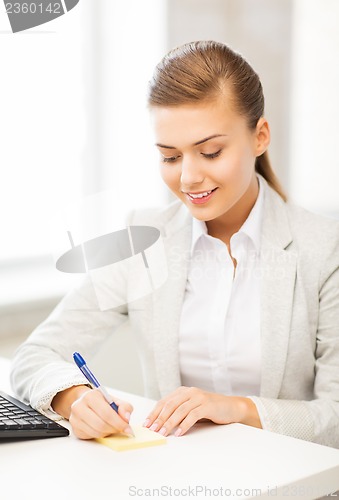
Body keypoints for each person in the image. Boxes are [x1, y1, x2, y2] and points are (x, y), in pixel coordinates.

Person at [10, 40, 339, 447]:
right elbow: (35, 355)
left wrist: (235, 408)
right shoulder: (143, 240)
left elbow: (334, 415)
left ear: (260, 137)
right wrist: (73, 397)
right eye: (169, 157)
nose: (187, 178)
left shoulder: (323, 249)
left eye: (210, 152)